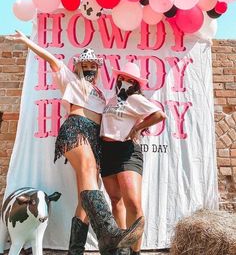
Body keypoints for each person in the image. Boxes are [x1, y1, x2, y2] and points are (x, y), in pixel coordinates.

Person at [5, 31, 144, 255]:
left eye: (93, 65)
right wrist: (26, 41)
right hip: (76, 128)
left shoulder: (101, 94)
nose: (89, 67)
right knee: (88, 172)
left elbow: (117, 117)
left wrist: (135, 130)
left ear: (98, 70)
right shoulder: (71, 80)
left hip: (95, 140)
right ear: (79, 67)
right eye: (85, 64)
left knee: (86, 197)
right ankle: (108, 231)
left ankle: (75, 251)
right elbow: (51, 59)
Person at [100, 62, 167, 255]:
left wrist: (137, 128)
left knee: (133, 204)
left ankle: (135, 252)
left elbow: (159, 115)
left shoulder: (135, 99)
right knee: (115, 200)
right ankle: (122, 247)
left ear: (136, 84)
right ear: (117, 79)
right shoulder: (111, 100)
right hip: (107, 151)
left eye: (130, 80)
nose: (125, 81)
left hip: (126, 151)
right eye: (122, 78)